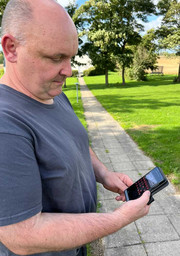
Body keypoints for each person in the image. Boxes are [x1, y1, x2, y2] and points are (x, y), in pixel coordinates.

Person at [0, 0, 151, 255]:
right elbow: (22, 234)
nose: (69, 71)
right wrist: (119, 219)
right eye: (56, 57)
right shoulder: (6, 125)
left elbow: (74, 139)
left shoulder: (52, 92)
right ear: (11, 48)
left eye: (71, 57)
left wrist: (104, 174)